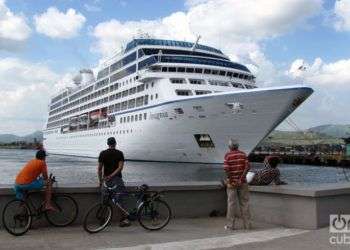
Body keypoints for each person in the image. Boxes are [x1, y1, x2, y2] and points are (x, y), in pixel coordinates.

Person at [98, 137, 130, 227]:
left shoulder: (102, 153)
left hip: (106, 181)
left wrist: (100, 181)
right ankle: (124, 220)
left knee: (104, 200)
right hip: (117, 180)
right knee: (119, 200)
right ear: (115, 144)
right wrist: (112, 175)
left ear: (108, 144)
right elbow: (120, 168)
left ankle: (102, 219)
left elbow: (99, 169)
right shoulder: (119, 153)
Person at [223, 139, 251, 230]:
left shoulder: (227, 155)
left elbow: (227, 169)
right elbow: (247, 167)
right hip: (243, 183)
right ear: (238, 146)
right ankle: (247, 225)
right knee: (245, 203)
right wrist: (241, 178)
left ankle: (230, 226)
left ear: (230, 146)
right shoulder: (243, 154)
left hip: (232, 184)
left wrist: (231, 179)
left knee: (231, 204)